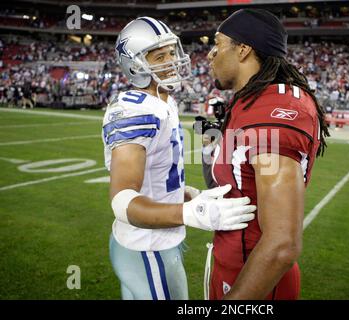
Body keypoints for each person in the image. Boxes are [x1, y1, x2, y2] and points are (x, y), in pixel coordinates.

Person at [102, 17, 256, 300]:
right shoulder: (134, 111)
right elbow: (122, 201)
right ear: (135, 65)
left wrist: (185, 195)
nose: (171, 61)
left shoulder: (164, 101)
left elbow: (156, 175)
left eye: (172, 52)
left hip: (158, 240)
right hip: (146, 246)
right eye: (160, 56)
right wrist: (190, 213)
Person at [204, 9, 329, 300]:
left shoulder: (274, 111)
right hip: (233, 263)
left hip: (257, 284)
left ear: (244, 49)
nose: (211, 55)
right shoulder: (250, 100)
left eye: (218, 44)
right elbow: (243, 184)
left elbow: (282, 244)